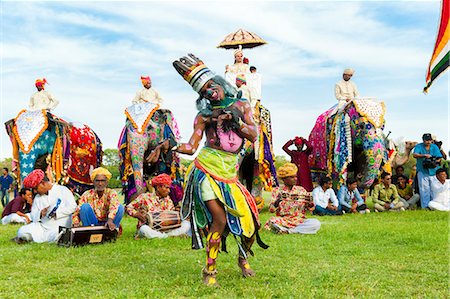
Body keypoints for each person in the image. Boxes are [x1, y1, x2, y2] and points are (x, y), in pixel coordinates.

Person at [169, 53, 267, 286]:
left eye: (211, 86)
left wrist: (237, 122)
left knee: (251, 222)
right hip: (206, 170)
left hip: (230, 174)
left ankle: (243, 259)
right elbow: (192, 146)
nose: (210, 92)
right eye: (204, 91)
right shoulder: (203, 116)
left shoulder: (242, 105)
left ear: (220, 84)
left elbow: (254, 135)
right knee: (219, 220)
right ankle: (209, 271)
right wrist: (173, 146)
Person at [15, 169, 76, 243]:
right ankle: (27, 237)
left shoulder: (63, 190)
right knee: (23, 230)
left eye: (35, 188)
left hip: (59, 226)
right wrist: (40, 214)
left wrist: (57, 213)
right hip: (43, 228)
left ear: (43, 183)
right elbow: (33, 216)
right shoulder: (38, 197)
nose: (35, 191)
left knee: (59, 234)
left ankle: (32, 239)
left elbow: (73, 207)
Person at [126, 173, 190, 239]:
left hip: (167, 230)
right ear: (158, 187)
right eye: (167, 188)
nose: (169, 191)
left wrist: (177, 213)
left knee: (187, 224)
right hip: (150, 229)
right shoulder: (145, 197)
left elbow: (171, 217)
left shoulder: (168, 200)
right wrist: (137, 214)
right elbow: (128, 207)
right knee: (144, 229)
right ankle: (168, 236)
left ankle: (165, 236)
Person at [265, 163, 320, 234]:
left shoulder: (301, 190)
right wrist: (278, 201)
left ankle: (288, 231)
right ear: (284, 179)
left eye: (296, 177)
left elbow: (311, 209)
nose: (295, 179)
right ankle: (297, 230)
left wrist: (310, 202)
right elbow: (271, 210)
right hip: (284, 220)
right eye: (292, 177)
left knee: (316, 223)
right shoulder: (277, 191)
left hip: (299, 220)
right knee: (272, 221)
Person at [412, 133, 442, 208]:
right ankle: (425, 207)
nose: (428, 142)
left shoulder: (434, 147)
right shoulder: (419, 146)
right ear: (423, 140)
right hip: (422, 170)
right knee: (424, 190)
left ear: (431, 140)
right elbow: (414, 155)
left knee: (434, 189)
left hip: (433, 171)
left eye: (429, 140)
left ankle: (434, 206)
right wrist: (424, 155)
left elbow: (439, 158)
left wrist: (434, 161)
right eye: (426, 140)